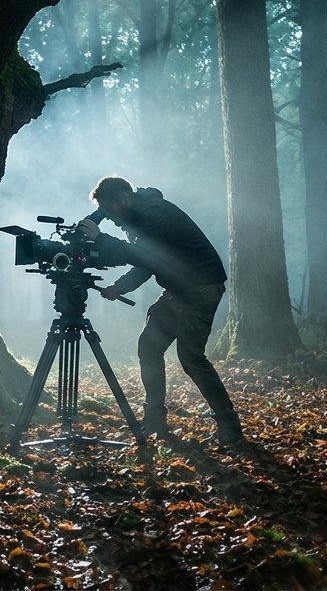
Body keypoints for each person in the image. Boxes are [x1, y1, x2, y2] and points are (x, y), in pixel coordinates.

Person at [78, 175, 248, 451]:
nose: (111, 219)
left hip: (201, 288)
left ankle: (229, 424)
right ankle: (155, 421)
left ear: (123, 198)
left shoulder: (154, 214)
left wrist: (101, 239)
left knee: (191, 358)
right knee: (149, 346)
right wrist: (119, 287)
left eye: (110, 211)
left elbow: (146, 256)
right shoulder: (139, 216)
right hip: (178, 289)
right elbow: (149, 263)